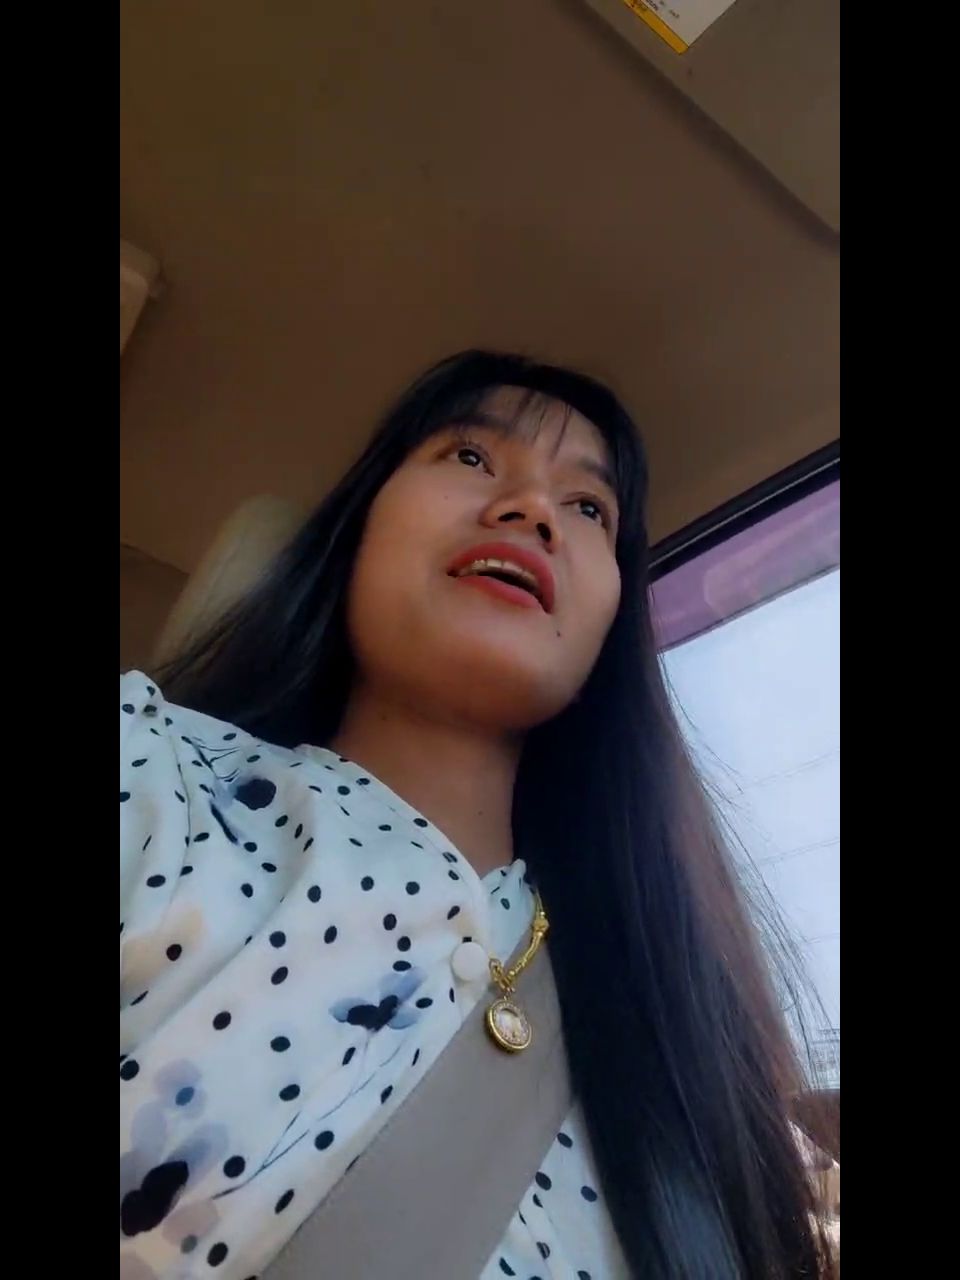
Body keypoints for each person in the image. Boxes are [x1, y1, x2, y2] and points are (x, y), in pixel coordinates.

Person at [120, 351, 835, 1278]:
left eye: (590, 508)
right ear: (361, 525)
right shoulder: (156, 770)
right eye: (470, 456)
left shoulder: (673, 1024)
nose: (533, 509)